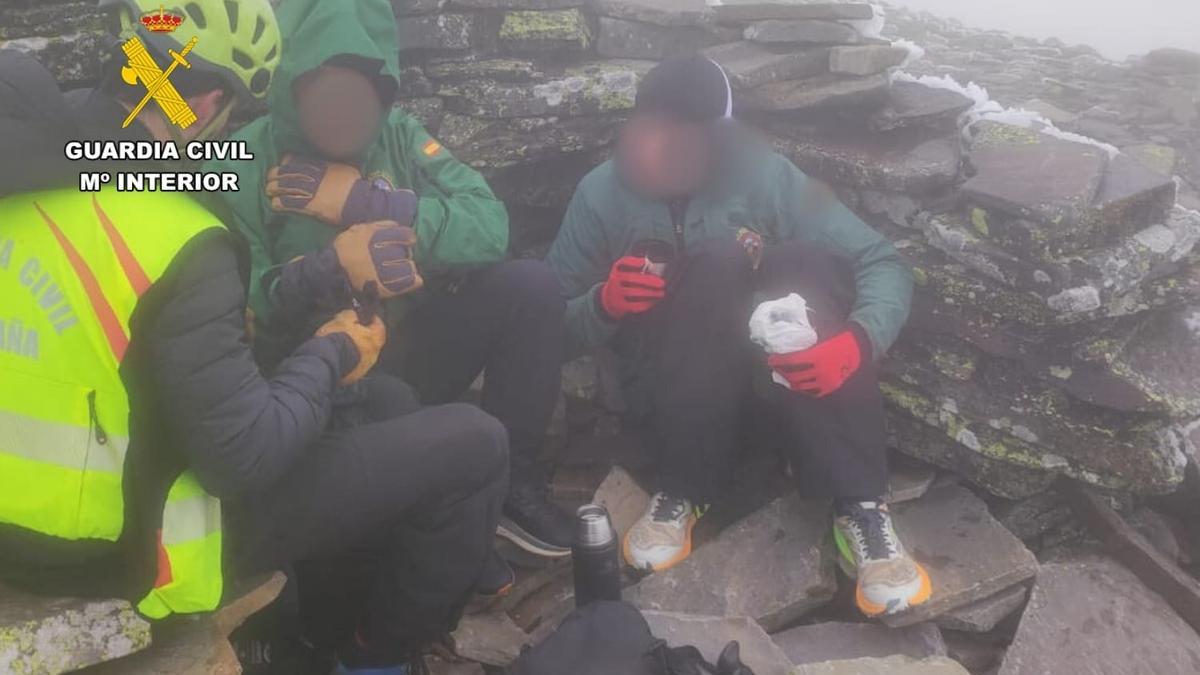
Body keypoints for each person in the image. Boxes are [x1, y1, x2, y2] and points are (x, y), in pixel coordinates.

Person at [0, 2, 508, 673]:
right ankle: (372, 660)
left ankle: (316, 623)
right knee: (477, 441)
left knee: (385, 404)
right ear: (209, 98)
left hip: (26, 521)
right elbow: (242, 456)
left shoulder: (32, 173)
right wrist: (332, 351)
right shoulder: (171, 232)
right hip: (128, 545)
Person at [546, 55, 931, 618]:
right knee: (718, 263)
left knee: (806, 260)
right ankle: (683, 486)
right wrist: (603, 304)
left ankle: (859, 505)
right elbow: (548, 320)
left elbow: (882, 261)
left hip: (772, 390)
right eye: (654, 129)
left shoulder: (765, 178)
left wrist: (858, 341)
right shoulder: (600, 193)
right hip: (670, 400)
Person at [205, 0, 575, 560]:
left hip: (409, 346)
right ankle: (439, 516)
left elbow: (489, 223)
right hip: (313, 383)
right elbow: (240, 303)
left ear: (383, 92)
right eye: (324, 90)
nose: (343, 111)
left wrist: (373, 205)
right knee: (390, 402)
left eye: (361, 93)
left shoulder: (400, 136)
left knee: (531, 288)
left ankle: (511, 488)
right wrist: (322, 274)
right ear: (292, 86)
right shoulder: (243, 161)